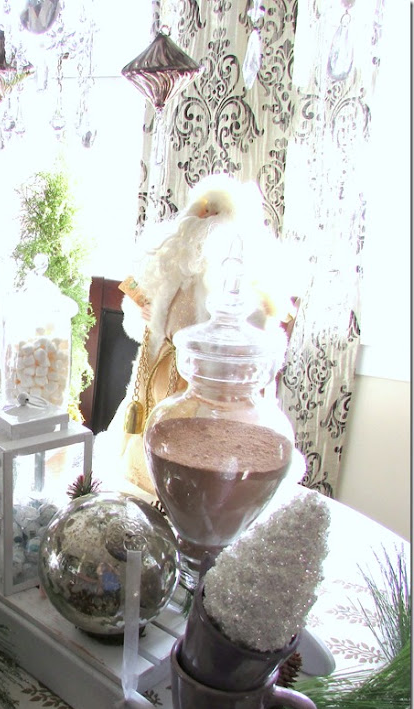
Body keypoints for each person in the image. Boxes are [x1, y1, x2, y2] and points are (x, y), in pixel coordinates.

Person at [95, 173, 294, 495]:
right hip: (153, 375)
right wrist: (145, 314)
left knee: (183, 448)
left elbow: (247, 335)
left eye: (214, 214)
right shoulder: (173, 265)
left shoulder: (238, 282)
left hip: (195, 387)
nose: (205, 221)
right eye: (202, 212)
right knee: (141, 441)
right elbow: (140, 315)